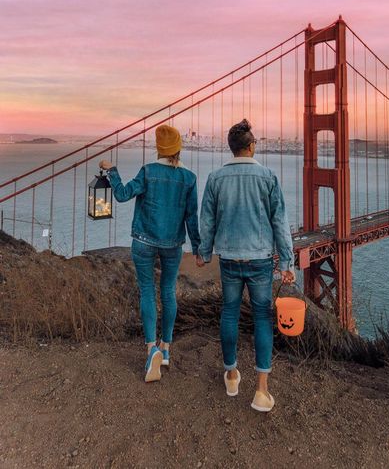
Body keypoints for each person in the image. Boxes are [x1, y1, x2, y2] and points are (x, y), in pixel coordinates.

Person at [197, 119, 295, 412]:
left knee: (229, 314)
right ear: (251, 146)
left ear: (231, 148)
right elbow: (279, 221)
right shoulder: (268, 177)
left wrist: (203, 251)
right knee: (263, 318)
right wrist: (287, 261)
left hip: (229, 258)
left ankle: (231, 375)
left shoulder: (215, 179)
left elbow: (208, 220)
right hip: (260, 259)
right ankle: (261, 392)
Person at [99, 124, 200, 383]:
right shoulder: (189, 178)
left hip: (143, 241)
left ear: (158, 148)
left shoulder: (148, 172)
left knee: (147, 291)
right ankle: (166, 349)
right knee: (168, 292)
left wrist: (112, 171)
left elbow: (121, 195)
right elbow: (191, 218)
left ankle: (150, 349)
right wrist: (198, 248)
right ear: (178, 148)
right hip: (172, 245)